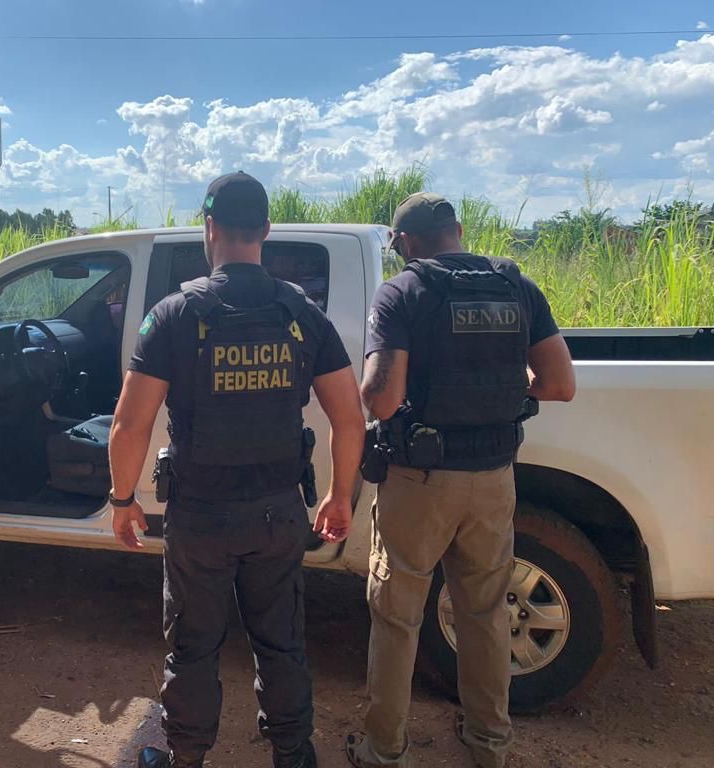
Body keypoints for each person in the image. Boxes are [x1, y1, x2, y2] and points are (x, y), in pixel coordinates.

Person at [108, 172, 365, 768]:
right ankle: (294, 756)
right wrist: (338, 495)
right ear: (266, 230)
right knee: (281, 644)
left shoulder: (174, 314)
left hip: (200, 517)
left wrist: (122, 500)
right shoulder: (302, 313)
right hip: (279, 513)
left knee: (193, 648)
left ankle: (186, 758)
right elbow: (350, 418)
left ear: (210, 227)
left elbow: (129, 424)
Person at [346, 193, 576, 768]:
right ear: (459, 230)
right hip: (494, 478)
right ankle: (489, 744)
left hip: (420, 482)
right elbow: (559, 384)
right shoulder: (515, 286)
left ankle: (384, 749)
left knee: (397, 616)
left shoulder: (403, 291)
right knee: (485, 613)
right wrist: (502, 395)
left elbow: (382, 399)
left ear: (406, 243)